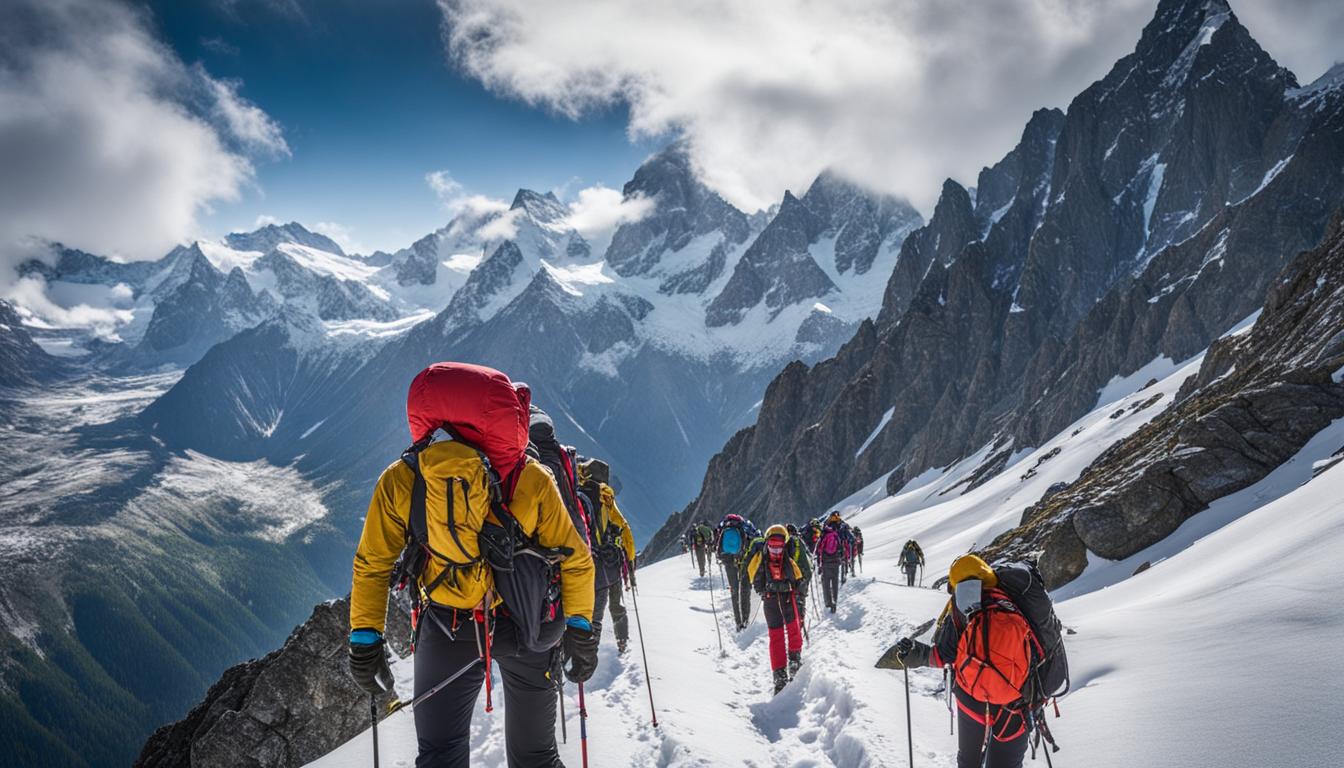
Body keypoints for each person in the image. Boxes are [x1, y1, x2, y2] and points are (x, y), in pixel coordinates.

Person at [347, 362, 597, 768]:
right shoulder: (529, 477)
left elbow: (373, 564)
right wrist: (580, 630)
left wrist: (364, 639)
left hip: (447, 627)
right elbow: (575, 560)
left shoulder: (403, 479)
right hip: (524, 623)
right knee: (535, 756)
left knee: (439, 756)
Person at [890, 555, 1069, 768]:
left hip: (972, 698)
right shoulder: (1024, 597)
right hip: (1019, 703)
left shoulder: (961, 607)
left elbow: (945, 654)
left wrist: (915, 654)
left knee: (968, 762)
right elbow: (1046, 644)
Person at [577, 458, 637, 654]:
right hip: (609, 564)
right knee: (614, 604)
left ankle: (583, 656)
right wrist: (630, 561)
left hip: (580, 563)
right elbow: (624, 529)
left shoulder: (573, 494)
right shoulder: (604, 497)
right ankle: (620, 641)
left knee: (588, 613)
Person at [745, 525, 806, 693]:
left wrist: (764, 592)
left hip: (770, 600)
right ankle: (794, 661)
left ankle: (779, 676)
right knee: (793, 628)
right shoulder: (788, 552)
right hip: (788, 596)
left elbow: (754, 577)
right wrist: (799, 592)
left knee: (775, 635)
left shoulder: (762, 554)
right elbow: (798, 577)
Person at [713, 513, 760, 630]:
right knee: (745, 589)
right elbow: (757, 537)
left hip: (728, 559)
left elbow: (715, 539)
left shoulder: (723, 524)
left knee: (734, 590)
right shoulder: (746, 525)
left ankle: (738, 622)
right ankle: (745, 620)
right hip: (744, 559)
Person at [815, 512, 849, 613]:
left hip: (826, 563)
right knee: (835, 583)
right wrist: (842, 559)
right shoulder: (835, 535)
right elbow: (841, 548)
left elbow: (819, 551)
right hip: (836, 562)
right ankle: (835, 602)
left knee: (826, 584)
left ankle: (828, 603)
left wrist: (819, 565)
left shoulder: (823, 535)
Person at [784, 523, 814, 624]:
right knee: (801, 597)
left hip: (797, 574)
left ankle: (795, 621)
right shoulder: (800, 541)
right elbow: (809, 555)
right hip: (807, 572)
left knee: (794, 597)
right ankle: (801, 619)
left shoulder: (789, 541)